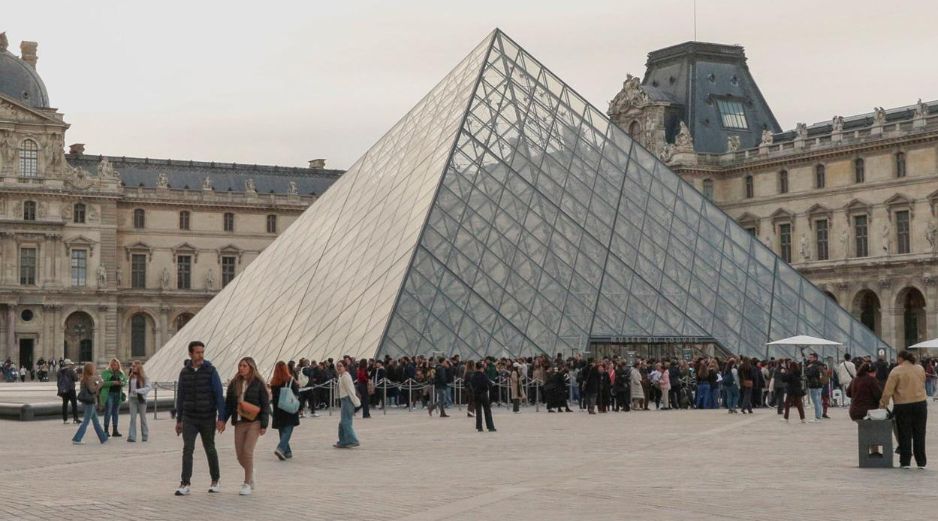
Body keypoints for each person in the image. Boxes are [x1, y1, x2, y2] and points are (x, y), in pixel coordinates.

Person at [174, 341, 226, 497]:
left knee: (209, 448)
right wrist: (179, 420)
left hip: (207, 417)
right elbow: (181, 396)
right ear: (190, 354)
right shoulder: (184, 372)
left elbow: (218, 395)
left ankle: (215, 480)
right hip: (189, 417)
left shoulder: (211, 371)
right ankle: (185, 483)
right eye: (198, 352)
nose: (201, 355)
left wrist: (221, 418)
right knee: (187, 449)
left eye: (202, 352)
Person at [222, 357, 269, 494]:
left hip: (254, 421)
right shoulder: (234, 383)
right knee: (239, 455)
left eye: (244, 366)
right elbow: (229, 405)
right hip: (239, 422)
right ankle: (251, 470)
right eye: (240, 365)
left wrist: (264, 424)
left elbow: (265, 404)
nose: (241, 368)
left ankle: (247, 483)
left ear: (251, 367)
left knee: (248, 451)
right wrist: (223, 421)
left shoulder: (259, 383)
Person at [879, 351, 928, 469]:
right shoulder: (919, 368)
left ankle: (905, 461)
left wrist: (883, 404)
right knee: (919, 433)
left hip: (903, 405)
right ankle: (921, 461)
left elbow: (888, 391)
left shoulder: (896, 371)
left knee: (904, 433)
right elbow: (923, 382)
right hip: (920, 403)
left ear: (900, 358)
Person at [270, 361, 300, 461]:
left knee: (282, 430)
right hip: (288, 408)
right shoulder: (290, 379)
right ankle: (281, 448)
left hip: (278, 409)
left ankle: (287, 451)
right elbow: (296, 394)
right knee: (288, 429)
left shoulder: (274, 381)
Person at [72, 363, 108, 445]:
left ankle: (103, 438)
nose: (95, 369)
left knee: (96, 422)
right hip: (90, 402)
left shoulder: (84, 378)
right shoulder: (91, 378)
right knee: (86, 421)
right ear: (90, 369)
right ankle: (77, 438)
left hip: (85, 401)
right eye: (93, 368)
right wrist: (100, 383)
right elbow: (93, 390)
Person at [334, 360, 361, 448]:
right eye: (337, 366)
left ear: (345, 367)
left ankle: (353, 440)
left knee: (346, 422)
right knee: (342, 423)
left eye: (340, 366)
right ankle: (343, 441)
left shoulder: (346, 376)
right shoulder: (341, 376)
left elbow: (351, 390)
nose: (339, 367)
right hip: (344, 400)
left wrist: (356, 402)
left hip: (348, 400)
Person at [98, 358, 127, 438]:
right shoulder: (105, 373)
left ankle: (115, 430)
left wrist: (122, 383)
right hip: (109, 394)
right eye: (112, 365)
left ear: (118, 365)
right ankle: (106, 430)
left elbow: (125, 382)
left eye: (116, 365)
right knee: (108, 411)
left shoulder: (121, 373)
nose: (114, 366)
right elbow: (102, 383)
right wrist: (113, 382)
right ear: (110, 365)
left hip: (118, 394)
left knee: (116, 413)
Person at [127, 361, 152, 442]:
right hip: (132, 399)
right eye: (132, 366)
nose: (132, 367)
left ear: (138, 367)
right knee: (132, 418)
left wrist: (138, 391)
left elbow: (148, 388)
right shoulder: (131, 377)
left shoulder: (144, 377)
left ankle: (145, 436)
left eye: (134, 366)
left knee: (143, 418)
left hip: (141, 399)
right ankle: (132, 436)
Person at [468, 361, 496, 432]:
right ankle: (490, 427)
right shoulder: (483, 375)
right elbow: (489, 383)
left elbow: (471, 384)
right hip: (483, 394)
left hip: (476, 394)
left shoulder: (473, 376)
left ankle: (479, 427)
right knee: (487, 411)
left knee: (478, 411)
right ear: (481, 368)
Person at [56, 359, 80, 424]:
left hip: (63, 390)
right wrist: (75, 373)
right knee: (74, 404)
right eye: (70, 364)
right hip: (71, 389)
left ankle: (65, 419)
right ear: (68, 364)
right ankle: (75, 418)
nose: (71, 365)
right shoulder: (70, 371)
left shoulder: (59, 371)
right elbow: (76, 379)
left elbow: (58, 381)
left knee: (64, 404)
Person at [804, 353, 824, 423]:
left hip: (814, 385)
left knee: (816, 402)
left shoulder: (813, 365)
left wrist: (807, 368)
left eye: (811, 357)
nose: (809, 359)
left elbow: (809, 374)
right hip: (820, 385)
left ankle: (817, 417)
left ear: (815, 358)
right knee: (818, 401)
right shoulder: (821, 364)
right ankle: (819, 415)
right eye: (809, 357)